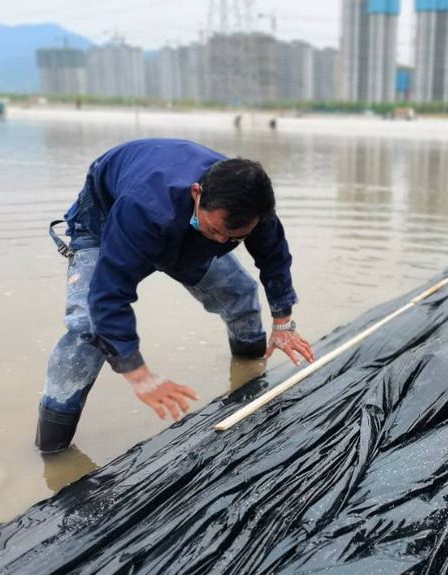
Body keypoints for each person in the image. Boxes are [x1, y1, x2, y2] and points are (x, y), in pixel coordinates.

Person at [39, 139, 315, 453]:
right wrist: (139, 374)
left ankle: (251, 379)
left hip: (191, 233)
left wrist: (283, 323)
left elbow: (274, 257)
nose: (223, 241)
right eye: (217, 231)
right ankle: (52, 444)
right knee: (86, 327)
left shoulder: (253, 209)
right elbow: (109, 295)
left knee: (241, 293)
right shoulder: (143, 207)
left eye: (234, 237)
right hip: (105, 223)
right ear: (197, 193)